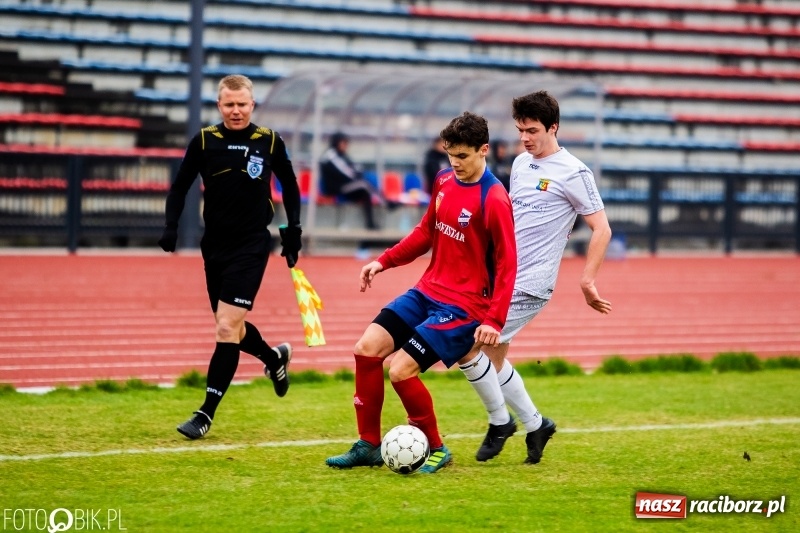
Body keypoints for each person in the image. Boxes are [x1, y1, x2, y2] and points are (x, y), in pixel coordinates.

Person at [325, 112, 516, 474]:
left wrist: (494, 319)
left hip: (465, 307)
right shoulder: (444, 179)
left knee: (400, 370)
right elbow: (426, 232)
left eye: (462, 156)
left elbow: (508, 265)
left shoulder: (494, 199)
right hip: (427, 291)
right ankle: (368, 445)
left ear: (484, 150)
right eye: (450, 155)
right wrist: (384, 261)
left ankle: (438, 449)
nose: (455, 163)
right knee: (366, 349)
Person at [461, 90, 612, 464]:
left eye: (532, 130)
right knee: (492, 358)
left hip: (531, 283)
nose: (525, 138)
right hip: (502, 276)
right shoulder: (520, 164)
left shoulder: (575, 172)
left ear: (553, 127)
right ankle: (536, 425)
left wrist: (587, 280)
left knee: (467, 345)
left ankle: (501, 422)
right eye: (520, 130)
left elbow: (602, 228)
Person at [157, 74, 303, 440]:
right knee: (232, 328)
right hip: (215, 245)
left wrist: (293, 232)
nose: (235, 110)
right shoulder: (205, 140)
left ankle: (205, 413)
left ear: (252, 105)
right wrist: (171, 226)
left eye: (242, 104)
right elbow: (180, 185)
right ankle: (273, 358)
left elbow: (290, 185)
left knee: (225, 326)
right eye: (229, 104)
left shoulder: (269, 140)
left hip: (253, 244)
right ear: (220, 106)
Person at [319, 132, 383, 230]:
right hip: (334, 188)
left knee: (364, 191)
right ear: (337, 143)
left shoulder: (341, 155)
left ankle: (370, 223)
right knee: (363, 185)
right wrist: (357, 174)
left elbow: (354, 167)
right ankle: (386, 202)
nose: (345, 146)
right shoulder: (331, 155)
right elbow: (347, 172)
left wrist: (357, 172)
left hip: (343, 186)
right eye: (343, 143)